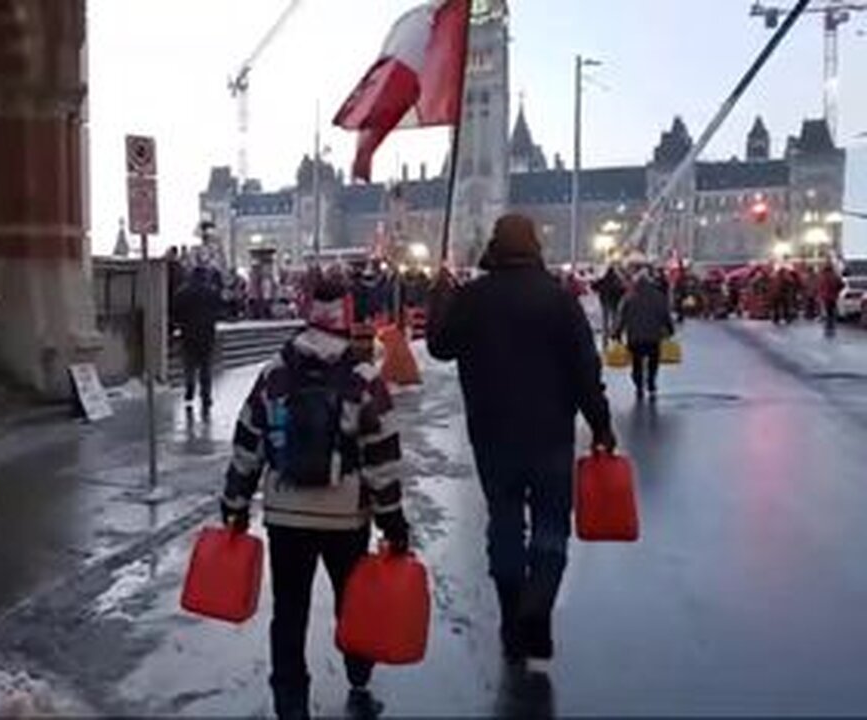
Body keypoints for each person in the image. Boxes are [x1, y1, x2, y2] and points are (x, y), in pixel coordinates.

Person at [220, 276, 410, 720]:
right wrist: (393, 522)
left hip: (285, 515)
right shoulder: (362, 378)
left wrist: (235, 503)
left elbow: (248, 442)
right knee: (352, 599)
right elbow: (382, 458)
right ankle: (359, 674)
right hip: (345, 518)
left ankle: (290, 701)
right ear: (345, 318)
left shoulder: (274, 374)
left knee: (288, 610)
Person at [427, 214, 615, 662]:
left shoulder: (473, 299)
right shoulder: (559, 300)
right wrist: (601, 424)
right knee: (551, 523)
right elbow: (585, 370)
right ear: (534, 246)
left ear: (495, 245)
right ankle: (539, 606)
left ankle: (513, 617)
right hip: (550, 430)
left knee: (505, 521)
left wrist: (441, 300)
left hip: (492, 431)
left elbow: (439, 346)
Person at [615, 272, 675, 401]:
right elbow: (665, 315)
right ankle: (651, 382)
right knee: (653, 361)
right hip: (653, 336)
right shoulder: (658, 297)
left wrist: (617, 333)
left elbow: (622, 317)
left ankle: (638, 386)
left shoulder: (628, 298)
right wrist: (670, 329)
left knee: (636, 362)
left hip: (635, 337)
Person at [172, 266, 221, 411]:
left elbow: (175, 312)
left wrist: (180, 324)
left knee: (189, 365)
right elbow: (218, 310)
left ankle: (190, 387)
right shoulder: (211, 292)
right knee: (206, 367)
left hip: (188, 334)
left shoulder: (182, 292)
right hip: (207, 334)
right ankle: (206, 396)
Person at [593, 266, 627, 338]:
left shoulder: (604, 280)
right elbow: (622, 290)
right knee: (614, 317)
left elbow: (594, 287)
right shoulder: (617, 280)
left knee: (605, 318)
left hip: (604, 301)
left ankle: (605, 333)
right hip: (614, 302)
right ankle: (613, 332)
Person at [817, 261, 845, 338]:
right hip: (833, 297)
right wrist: (837, 291)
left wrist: (820, 294)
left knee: (828, 311)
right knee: (832, 311)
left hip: (825, 297)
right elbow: (842, 285)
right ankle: (831, 325)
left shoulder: (822, 277)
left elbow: (820, 287)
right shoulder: (835, 276)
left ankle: (828, 325)